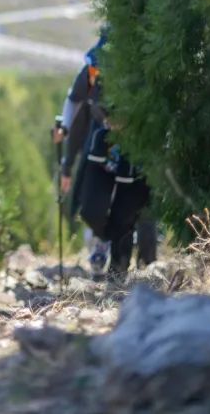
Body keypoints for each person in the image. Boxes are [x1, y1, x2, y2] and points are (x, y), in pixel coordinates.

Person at [54, 29, 155, 277]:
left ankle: (119, 272)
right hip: (102, 145)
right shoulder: (93, 70)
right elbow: (75, 98)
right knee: (90, 209)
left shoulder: (145, 70)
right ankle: (105, 239)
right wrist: (65, 127)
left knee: (127, 210)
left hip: (137, 145)